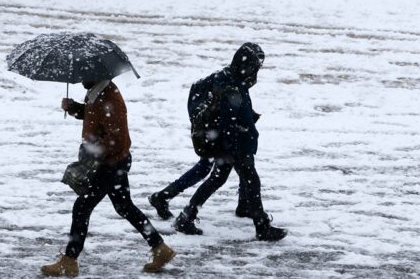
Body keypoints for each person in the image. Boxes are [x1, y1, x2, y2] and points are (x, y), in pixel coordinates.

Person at [41, 80, 175, 277]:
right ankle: (160, 249)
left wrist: (94, 152)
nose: (81, 78)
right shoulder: (97, 92)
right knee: (124, 207)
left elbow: (118, 140)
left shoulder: (110, 97)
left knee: (82, 207)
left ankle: (69, 261)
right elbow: (94, 117)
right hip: (111, 163)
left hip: (110, 165)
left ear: (96, 74)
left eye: (85, 73)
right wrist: (75, 108)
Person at [167, 43, 286, 241]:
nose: (255, 72)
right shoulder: (231, 85)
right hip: (235, 145)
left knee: (218, 179)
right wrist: (235, 144)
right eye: (254, 67)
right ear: (245, 66)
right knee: (251, 180)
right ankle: (261, 226)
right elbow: (228, 121)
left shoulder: (230, 78)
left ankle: (186, 217)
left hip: (231, 144)